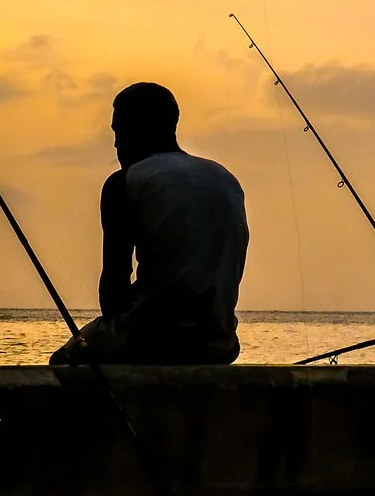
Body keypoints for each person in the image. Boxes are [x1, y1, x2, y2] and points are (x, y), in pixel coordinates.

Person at [51, 82, 247, 365]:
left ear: (138, 127)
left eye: (118, 132)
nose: (116, 144)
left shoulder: (124, 182)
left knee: (61, 364)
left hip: (149, 341)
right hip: (220, 343)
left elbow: (114, 287)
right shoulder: (225, 179)